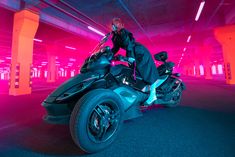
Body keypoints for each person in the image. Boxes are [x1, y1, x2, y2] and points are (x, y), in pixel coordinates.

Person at [110, 18, 163, 106]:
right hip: (132, 52)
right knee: (134, 72)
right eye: (112, 24)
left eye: (115, 24)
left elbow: (129, 45)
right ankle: (138, 93)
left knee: (147, 72)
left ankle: (153, 95)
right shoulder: (115, 35)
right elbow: (115, 48)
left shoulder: (124, 33)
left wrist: (130, 57)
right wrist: (108, 54)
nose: (113, 25)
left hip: (139, 52)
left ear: (119, 24)